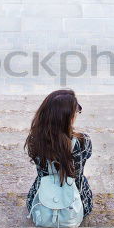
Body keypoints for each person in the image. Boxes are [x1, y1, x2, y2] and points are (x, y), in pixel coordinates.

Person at [25, 88, 93, 220]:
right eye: (76, 109)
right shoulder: (83, 141)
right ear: (69, 117)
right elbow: (85, 157)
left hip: (40, 201)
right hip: (78, 202)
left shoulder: (34, 140)